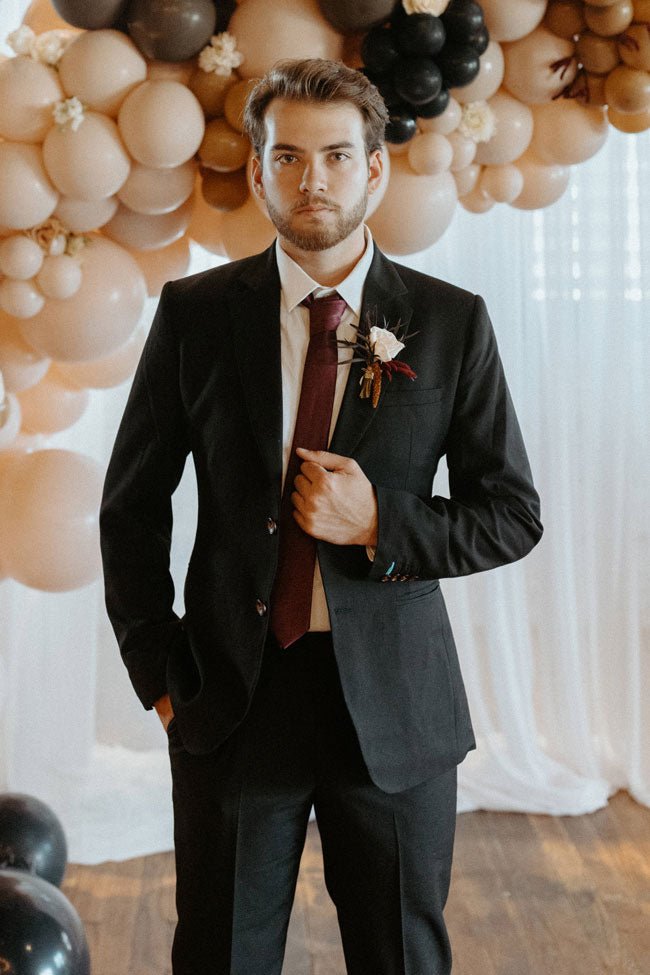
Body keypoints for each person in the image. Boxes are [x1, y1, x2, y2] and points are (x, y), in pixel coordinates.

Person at [100, 58, 542, 975]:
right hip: (232, 698)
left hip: (396, 709)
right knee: (221, 955)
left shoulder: (451, 322)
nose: (314, 180)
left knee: (401, 957)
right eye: (289, 157)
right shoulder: (195, 315)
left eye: (338, 156)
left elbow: (510, 513)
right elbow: (131, 507)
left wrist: (382, 520)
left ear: (374, 169)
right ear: (258, 171)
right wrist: (161, 676)